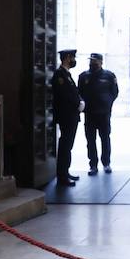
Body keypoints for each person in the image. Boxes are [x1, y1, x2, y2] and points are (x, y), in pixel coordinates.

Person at [77, 52, 119, 175]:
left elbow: (115, 92)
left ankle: (106, 163)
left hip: (104, 114)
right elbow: (79, 93)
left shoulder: (109, 76)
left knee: (105, 138)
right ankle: (93, 165)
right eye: (91, 60)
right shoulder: (83, 76)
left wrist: (107, 104)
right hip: (89, 114)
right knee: (90, 140)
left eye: (95, 61)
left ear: (101, 62)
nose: (92, 63)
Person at [50, 49, 82, 186]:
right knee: (65, 145)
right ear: (67, 58)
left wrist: (80, 101)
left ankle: (66, 171)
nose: (74, 60)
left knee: (68, 146)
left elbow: (73, 92)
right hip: (66, 116)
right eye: (72, 57)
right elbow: (64, 95)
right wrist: (78, 103)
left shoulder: (66, 74)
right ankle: (62, 176)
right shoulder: (60, 75)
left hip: (71, 115)